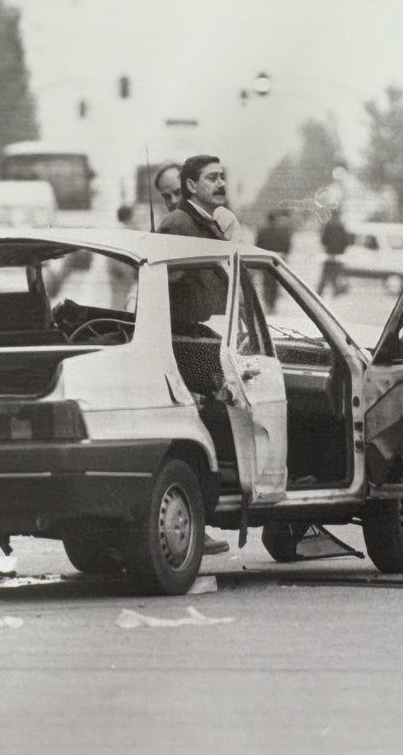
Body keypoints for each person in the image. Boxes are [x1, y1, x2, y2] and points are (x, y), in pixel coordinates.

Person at [157, 154, 236, 556]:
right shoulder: (178, 224)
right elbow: (161, 278)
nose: (221, 183)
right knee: (213, 419)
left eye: (223, 176)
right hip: (184, 341)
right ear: (191, 186)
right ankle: (199, 522)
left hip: (205, 336)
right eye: (211, 178)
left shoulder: (208, 221)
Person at [253, 210, 293, 312]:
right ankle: (272, 304)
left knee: (266, 282)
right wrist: (284, 255)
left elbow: (257, 245)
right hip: (277, 258)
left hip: (264, 259)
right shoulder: (282, 231)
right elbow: (287, 244)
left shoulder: (262, 231)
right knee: (275, 282)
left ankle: (267, 303)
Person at [317, 209, 350, 296]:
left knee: (325, 273)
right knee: (337, 272)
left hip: (329, 253)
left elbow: (324, 239)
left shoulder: (328, 225)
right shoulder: (341, 225)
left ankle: (320, 291)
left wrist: (327, 247)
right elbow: (345, 240)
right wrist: (342, 251)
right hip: (338, 254)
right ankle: (337, 290)